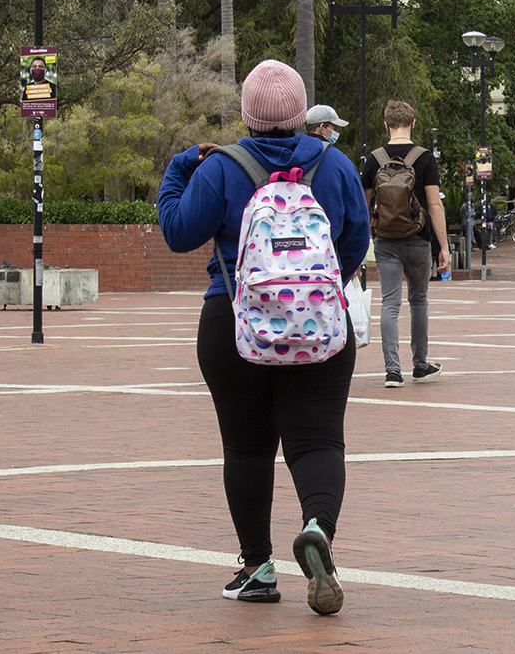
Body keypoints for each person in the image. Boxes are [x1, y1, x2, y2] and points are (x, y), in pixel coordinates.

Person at [158, 58, 369, 616]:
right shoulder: (336, 164)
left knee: (247, 446)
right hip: (320, 328)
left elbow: (179, 232)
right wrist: (318, 293)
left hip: (232, 321)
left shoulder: (222, 168)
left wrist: (181, 166)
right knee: (319, 441)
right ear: (301, 112)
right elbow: (356, 240)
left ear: (248, 113)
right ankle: (318, 527)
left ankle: (257, 567)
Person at [360, 101, 450, 389]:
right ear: (414, 123)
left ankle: (392, 371)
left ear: (386, 125)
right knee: (419, 301)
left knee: (389, 303)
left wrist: (363, 238)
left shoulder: (373, 160)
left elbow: (363, 205)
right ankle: (420, 365)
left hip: (385, 240)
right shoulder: (425, 158)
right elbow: (434, 205)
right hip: (418, 239)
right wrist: (444, 246)